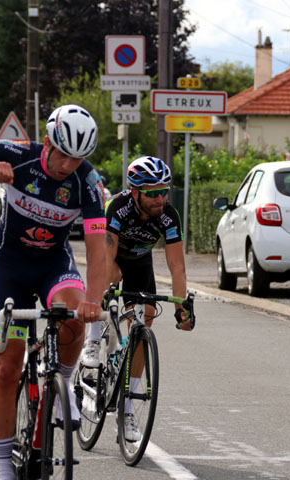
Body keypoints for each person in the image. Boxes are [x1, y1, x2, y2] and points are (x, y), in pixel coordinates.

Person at [0, 104, 107, 480]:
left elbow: (96, 248)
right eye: (63, 154)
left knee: (75, 317)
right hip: (10, 267)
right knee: (7, 369)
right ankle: (2, 465)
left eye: (78, 159)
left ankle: (60, 388)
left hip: (53, 267)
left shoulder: (87, 184)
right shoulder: (19, 155)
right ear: (47, 142)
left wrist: (94, 300)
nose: (68, 166)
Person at [81, 155, 192, 441]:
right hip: (112, 256)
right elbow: (104, 255)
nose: (160, 199)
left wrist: (183, 308)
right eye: (153, 193)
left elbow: (177, 265)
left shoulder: (169, 215)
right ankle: (93, 338)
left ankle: (127, 409)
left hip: (141, 262)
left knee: (146, 320)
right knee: (111, 275)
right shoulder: (117, 208)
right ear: (135, 191)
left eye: (164, 191)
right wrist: (107, 281)